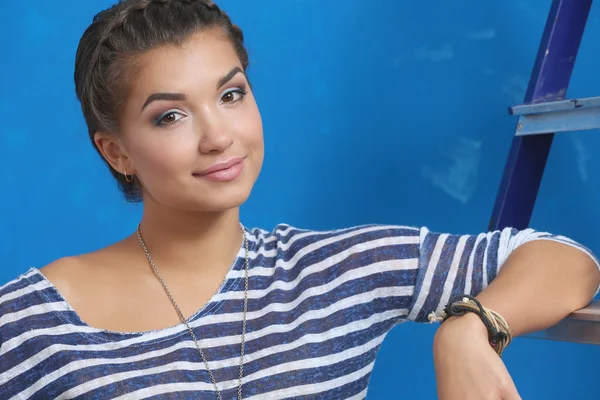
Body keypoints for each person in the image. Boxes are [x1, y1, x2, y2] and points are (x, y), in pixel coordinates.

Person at [0, 0, 598, 399]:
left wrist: (469, 328)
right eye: (171, 115)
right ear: (117, 152)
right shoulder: (31, 321)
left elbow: (561, 257)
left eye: (231, 95)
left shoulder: (334, 273)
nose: (219, 136)